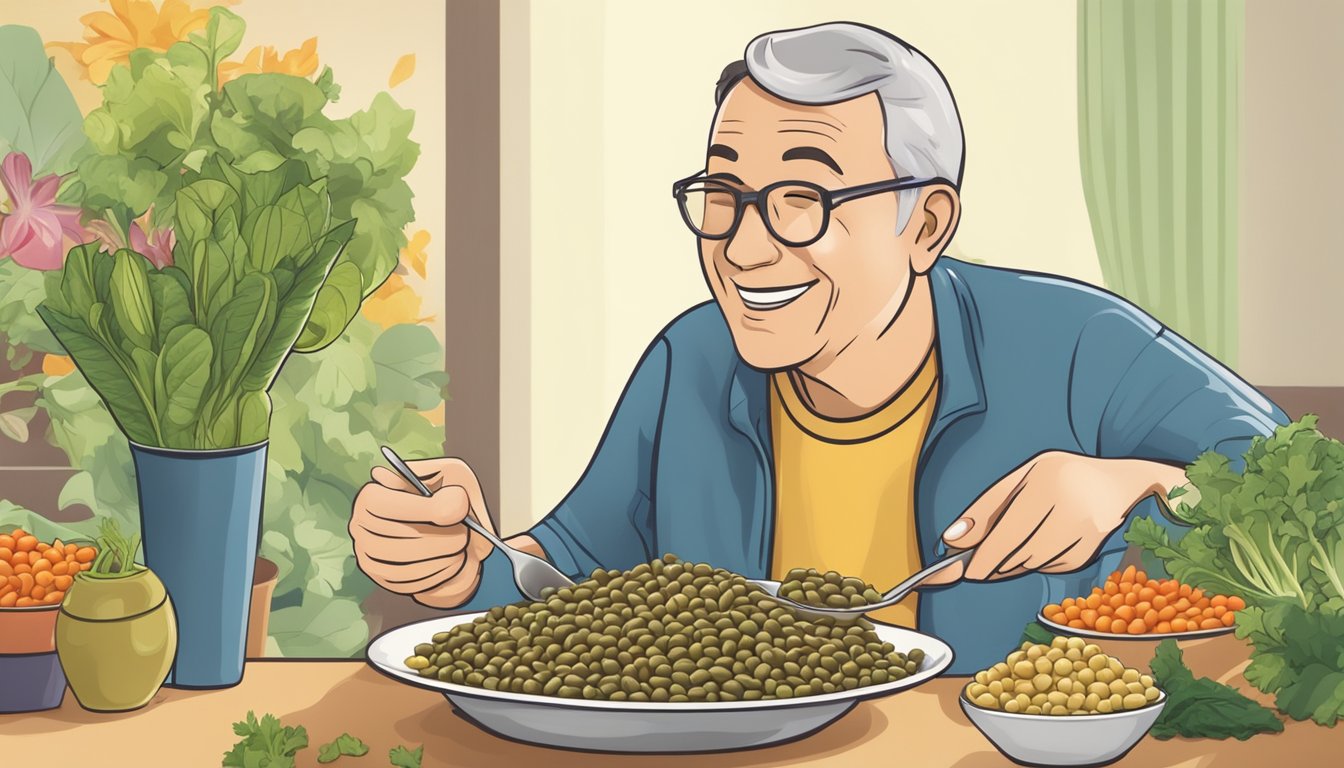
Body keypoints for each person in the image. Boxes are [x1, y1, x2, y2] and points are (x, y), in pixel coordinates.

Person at [350, 22, 1284, 672]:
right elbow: (566, 588)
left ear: (926, 225)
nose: (746, 246)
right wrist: (456, 562)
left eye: (805, 200)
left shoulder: (1077, 346)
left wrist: (1137, 482)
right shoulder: (692, 363)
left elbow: (1303, 492)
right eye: (724, 194)